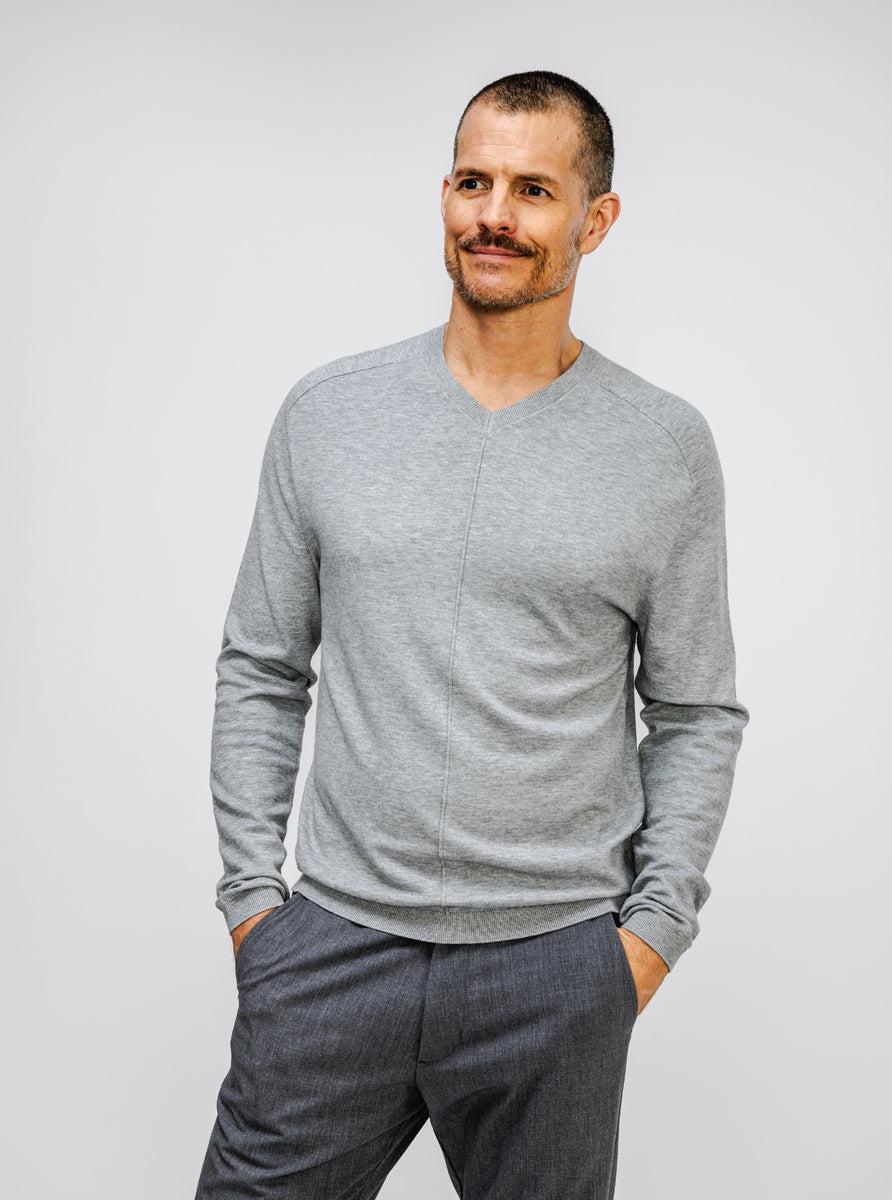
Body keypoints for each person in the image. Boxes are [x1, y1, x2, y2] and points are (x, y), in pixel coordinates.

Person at [194, 69, 750, 1199]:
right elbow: (262, 666)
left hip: (555, 968)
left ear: (595, 219)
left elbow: (696, 709)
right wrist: (256, 906)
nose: (494, 215)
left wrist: (647, 938)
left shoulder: (662, 448)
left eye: (533, 190)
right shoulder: (329, 412)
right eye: (472, 181)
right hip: (331, 950)